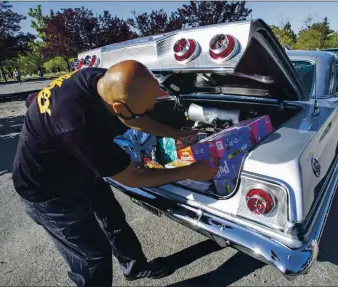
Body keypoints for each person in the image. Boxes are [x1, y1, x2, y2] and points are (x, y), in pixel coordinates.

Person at [12, 60, 219, 286]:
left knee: (112, 218)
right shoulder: (80, 126)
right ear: (118, 107)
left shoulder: (99, 79)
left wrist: (174, 134)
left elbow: (136, 117)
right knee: (92, 257)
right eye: (146, 108)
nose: (150, 111)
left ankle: (135, 268)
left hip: (79, 167)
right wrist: (191, 171)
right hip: (49, 192)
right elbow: (132, 178)